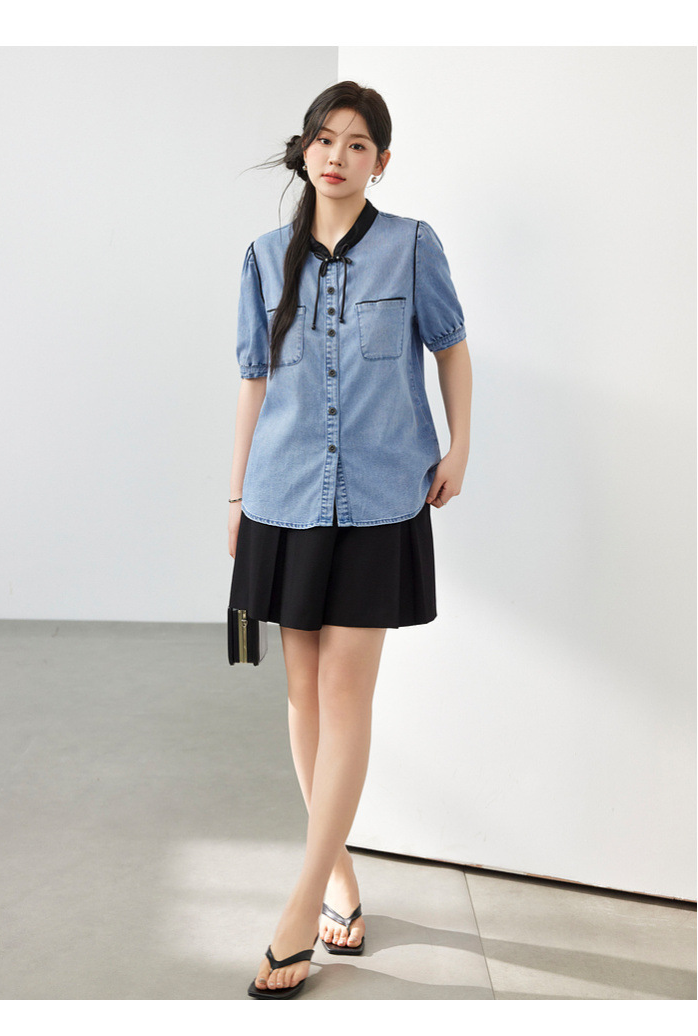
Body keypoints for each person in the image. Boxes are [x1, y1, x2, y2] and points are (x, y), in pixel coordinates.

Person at [227, 81, 472, 999]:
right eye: (325, 140)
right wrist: (237, 493)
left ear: (382, 161)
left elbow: (450, 346)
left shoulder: (412, 245)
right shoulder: (263, 257)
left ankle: (299, 912)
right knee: (301, 693)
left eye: (358, 143)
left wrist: (459, 446)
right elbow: (254, 380)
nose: (337, 156)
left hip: (377, 499)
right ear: (305, 150)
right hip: (285, 495)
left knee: (344, 692)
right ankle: (338, 878)